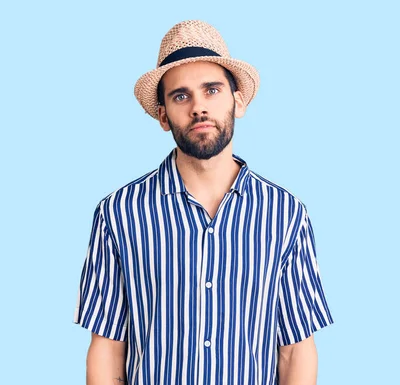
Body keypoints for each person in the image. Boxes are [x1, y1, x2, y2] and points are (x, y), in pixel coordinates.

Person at [73, 20, 334, 385]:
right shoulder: (118, 214)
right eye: (181, 96)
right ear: (163, 115)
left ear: (237, 100)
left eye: (211, 90)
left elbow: (296, 350)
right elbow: (107, 348)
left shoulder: (285, 214)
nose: (198, 107)